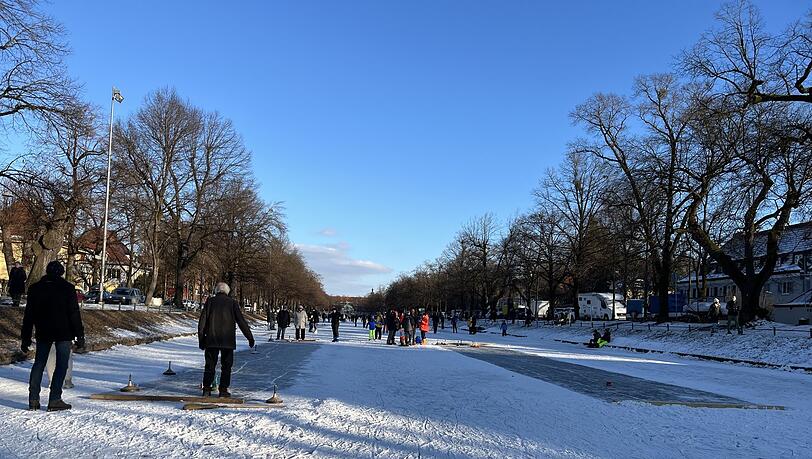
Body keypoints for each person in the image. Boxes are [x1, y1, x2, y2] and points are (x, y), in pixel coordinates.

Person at [21, 261, 85, 411]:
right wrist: (79, 336)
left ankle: (33, 400)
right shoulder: (68, 289)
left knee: (39, 364)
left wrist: (25, 338)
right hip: (63, 332)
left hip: (43, 331)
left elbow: (28, 315)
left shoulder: (35, 288)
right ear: (61, 273)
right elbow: (74, 314)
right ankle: (55, 399)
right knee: (61, 365)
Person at [197, 282, 254, 398]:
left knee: (209, 365)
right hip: (227, 341)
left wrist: (201, 339)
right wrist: (250, 337)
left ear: (216, 291)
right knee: (226, 366)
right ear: (227, 292)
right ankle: (223, 390)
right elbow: (241, 321)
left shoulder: (210, 302)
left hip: (211, 340)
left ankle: (207, 389)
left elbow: (202, 322)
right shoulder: (232, 303)